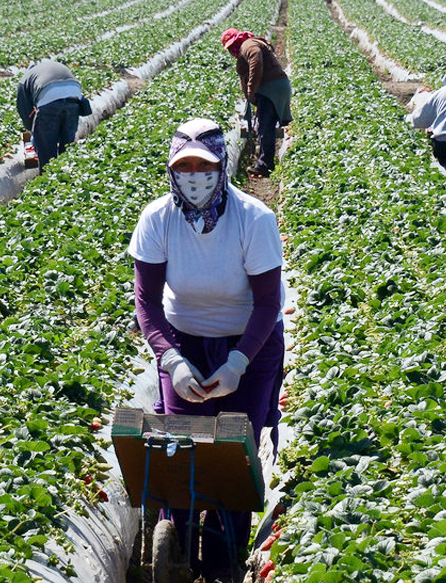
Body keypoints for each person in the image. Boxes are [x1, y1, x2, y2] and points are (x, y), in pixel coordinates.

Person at [128, 118, 285, 583]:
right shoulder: (156, 219)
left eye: (205, 165)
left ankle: (224, 556)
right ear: (172, 170)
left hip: (249, 345)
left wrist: (238, 363)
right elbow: (146, 302)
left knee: (232, 452)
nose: (194, 176)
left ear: (221, 167)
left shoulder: (253, 219)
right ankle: (176, 544)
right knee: (179, 449)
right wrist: (172, 361)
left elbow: (267, 303)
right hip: (183, 340)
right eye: (185, 166)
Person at [221, 28, 292, 178]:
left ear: (238, 40)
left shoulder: (248, 45)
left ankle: (264, 165)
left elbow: (256, 60)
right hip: (274, 87)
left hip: (271, 88)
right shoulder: (247, 46)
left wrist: (251, 88)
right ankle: (265, 163)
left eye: (232, 45)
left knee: (265, 127)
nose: (232, 50)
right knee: (264, 126)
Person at [16, 59, 92, 171]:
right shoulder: (54, 67)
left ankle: (49, 178)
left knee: (46, 148)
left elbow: (24, 108)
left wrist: (34, 131)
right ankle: (67, 175)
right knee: (67, 144)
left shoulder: (26, 78)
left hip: (49, 99)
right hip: (74, 98)